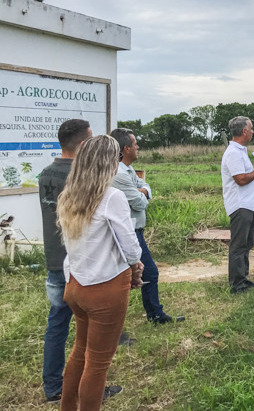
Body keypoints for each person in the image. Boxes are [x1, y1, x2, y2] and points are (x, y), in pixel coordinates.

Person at [57, 135, 144, 410]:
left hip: (75, 284)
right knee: (98, 364)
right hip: (105, 288)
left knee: (80, 352)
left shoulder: (69, 194)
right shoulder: (111, 196)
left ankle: (67, 406)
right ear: (110, 162)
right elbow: (130, 245)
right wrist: (136, 267)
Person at [39, 119, 97, 403]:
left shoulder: (46, 174)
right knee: (88, 329)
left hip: (54, 259)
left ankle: (53, 386)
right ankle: (86, 388)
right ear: (83, 144)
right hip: (77, 263)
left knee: (57, 324)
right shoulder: (80, 177)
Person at [110, 128, 184, 324]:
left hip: (134, 230)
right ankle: (153, 315)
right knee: (147, 272)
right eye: (135, 144)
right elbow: (141, 202)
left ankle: (153, 313)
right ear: (125, 148)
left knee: (139, 273)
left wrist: (142, 190)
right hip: (129, 232)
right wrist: (142, 192)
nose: (138, 147)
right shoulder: (119, 174)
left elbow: (145, 186)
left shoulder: (128, 170)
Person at [221, 116, 254, 294]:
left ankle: (243, 278)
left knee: (246, 244)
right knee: (239, 245)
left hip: (248, 205)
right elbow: (240, 179)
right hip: (240, 206)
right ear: (244, 131)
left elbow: (245, 175)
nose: (253, 131)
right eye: (251, 128)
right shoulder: (233, 153)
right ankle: (237, 284)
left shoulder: (240, 151)